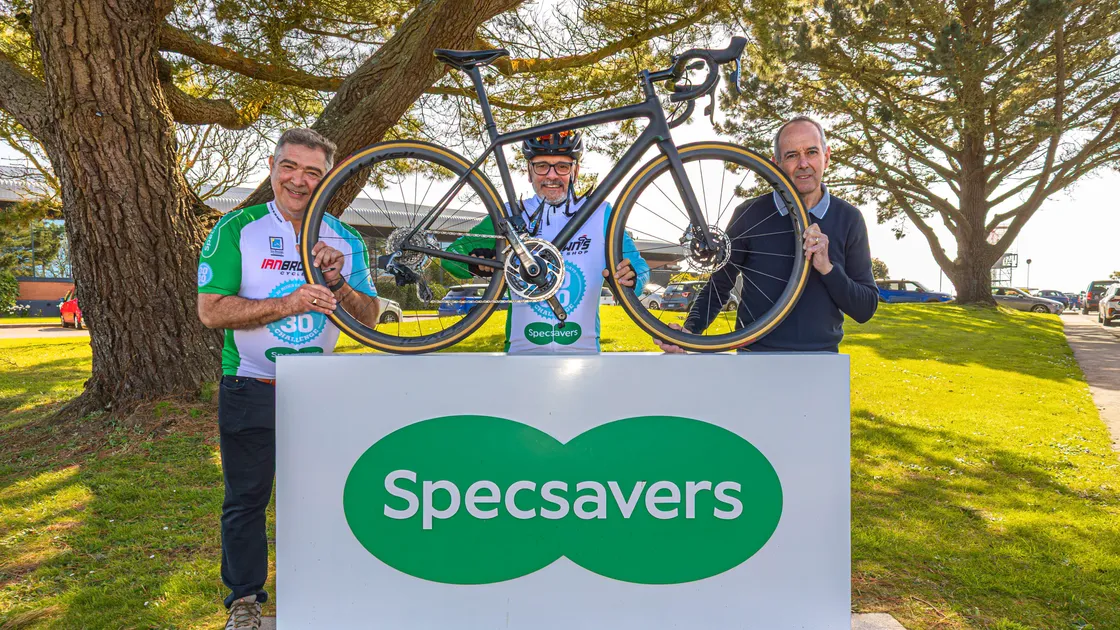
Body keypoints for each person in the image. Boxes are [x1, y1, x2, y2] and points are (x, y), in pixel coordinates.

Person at [196, 128, 379, 630]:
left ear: (327, 181)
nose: (298, 180)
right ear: (273, 169)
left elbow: (371, 319)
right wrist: (288, 302)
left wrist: (337, 283)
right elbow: (211, 311)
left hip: (321, 393)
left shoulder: (345, 237)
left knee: (329, 498)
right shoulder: (240, 228)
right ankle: (246, 603)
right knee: (246, 500)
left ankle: (329, 595)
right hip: (252, 383)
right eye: (289, 167)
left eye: (312, 172)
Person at [655, 115, 877, 353]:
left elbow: (865, 308)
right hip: (755, 358)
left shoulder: (849, 218)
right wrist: (689, 334)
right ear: (775, 164)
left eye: (812, 152)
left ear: (827, 156)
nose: (803, 163)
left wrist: (828, 269)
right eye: (792, 155)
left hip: (821, 359)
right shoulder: (749, 213)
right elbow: (720, 284)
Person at [442, 130, 649, 353]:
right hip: (521, 355)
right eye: (542, 166)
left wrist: (632, 278)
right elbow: (450, 258)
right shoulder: (510, 214)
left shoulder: (601, 214)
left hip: (584, 355)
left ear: (575, 171)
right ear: (529, 172)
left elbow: (640, 270)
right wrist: (476, 263)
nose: (551, 176)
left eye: (562, 166)